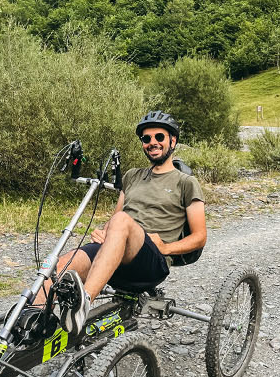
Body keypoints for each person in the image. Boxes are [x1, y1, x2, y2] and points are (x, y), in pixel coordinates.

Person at [51, 111, 207, 334]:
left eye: (159, 137)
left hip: (151, 260)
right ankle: (29, 324)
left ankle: (82, 305)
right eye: (146, 139)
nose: (152, 143)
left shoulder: (186, 183)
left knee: (122, 221)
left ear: (172, 141)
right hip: (117, 251)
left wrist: (167, 247)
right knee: (62, 265)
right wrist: (104, 232)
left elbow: (200, 237)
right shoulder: (132, 176)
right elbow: (117, 216)